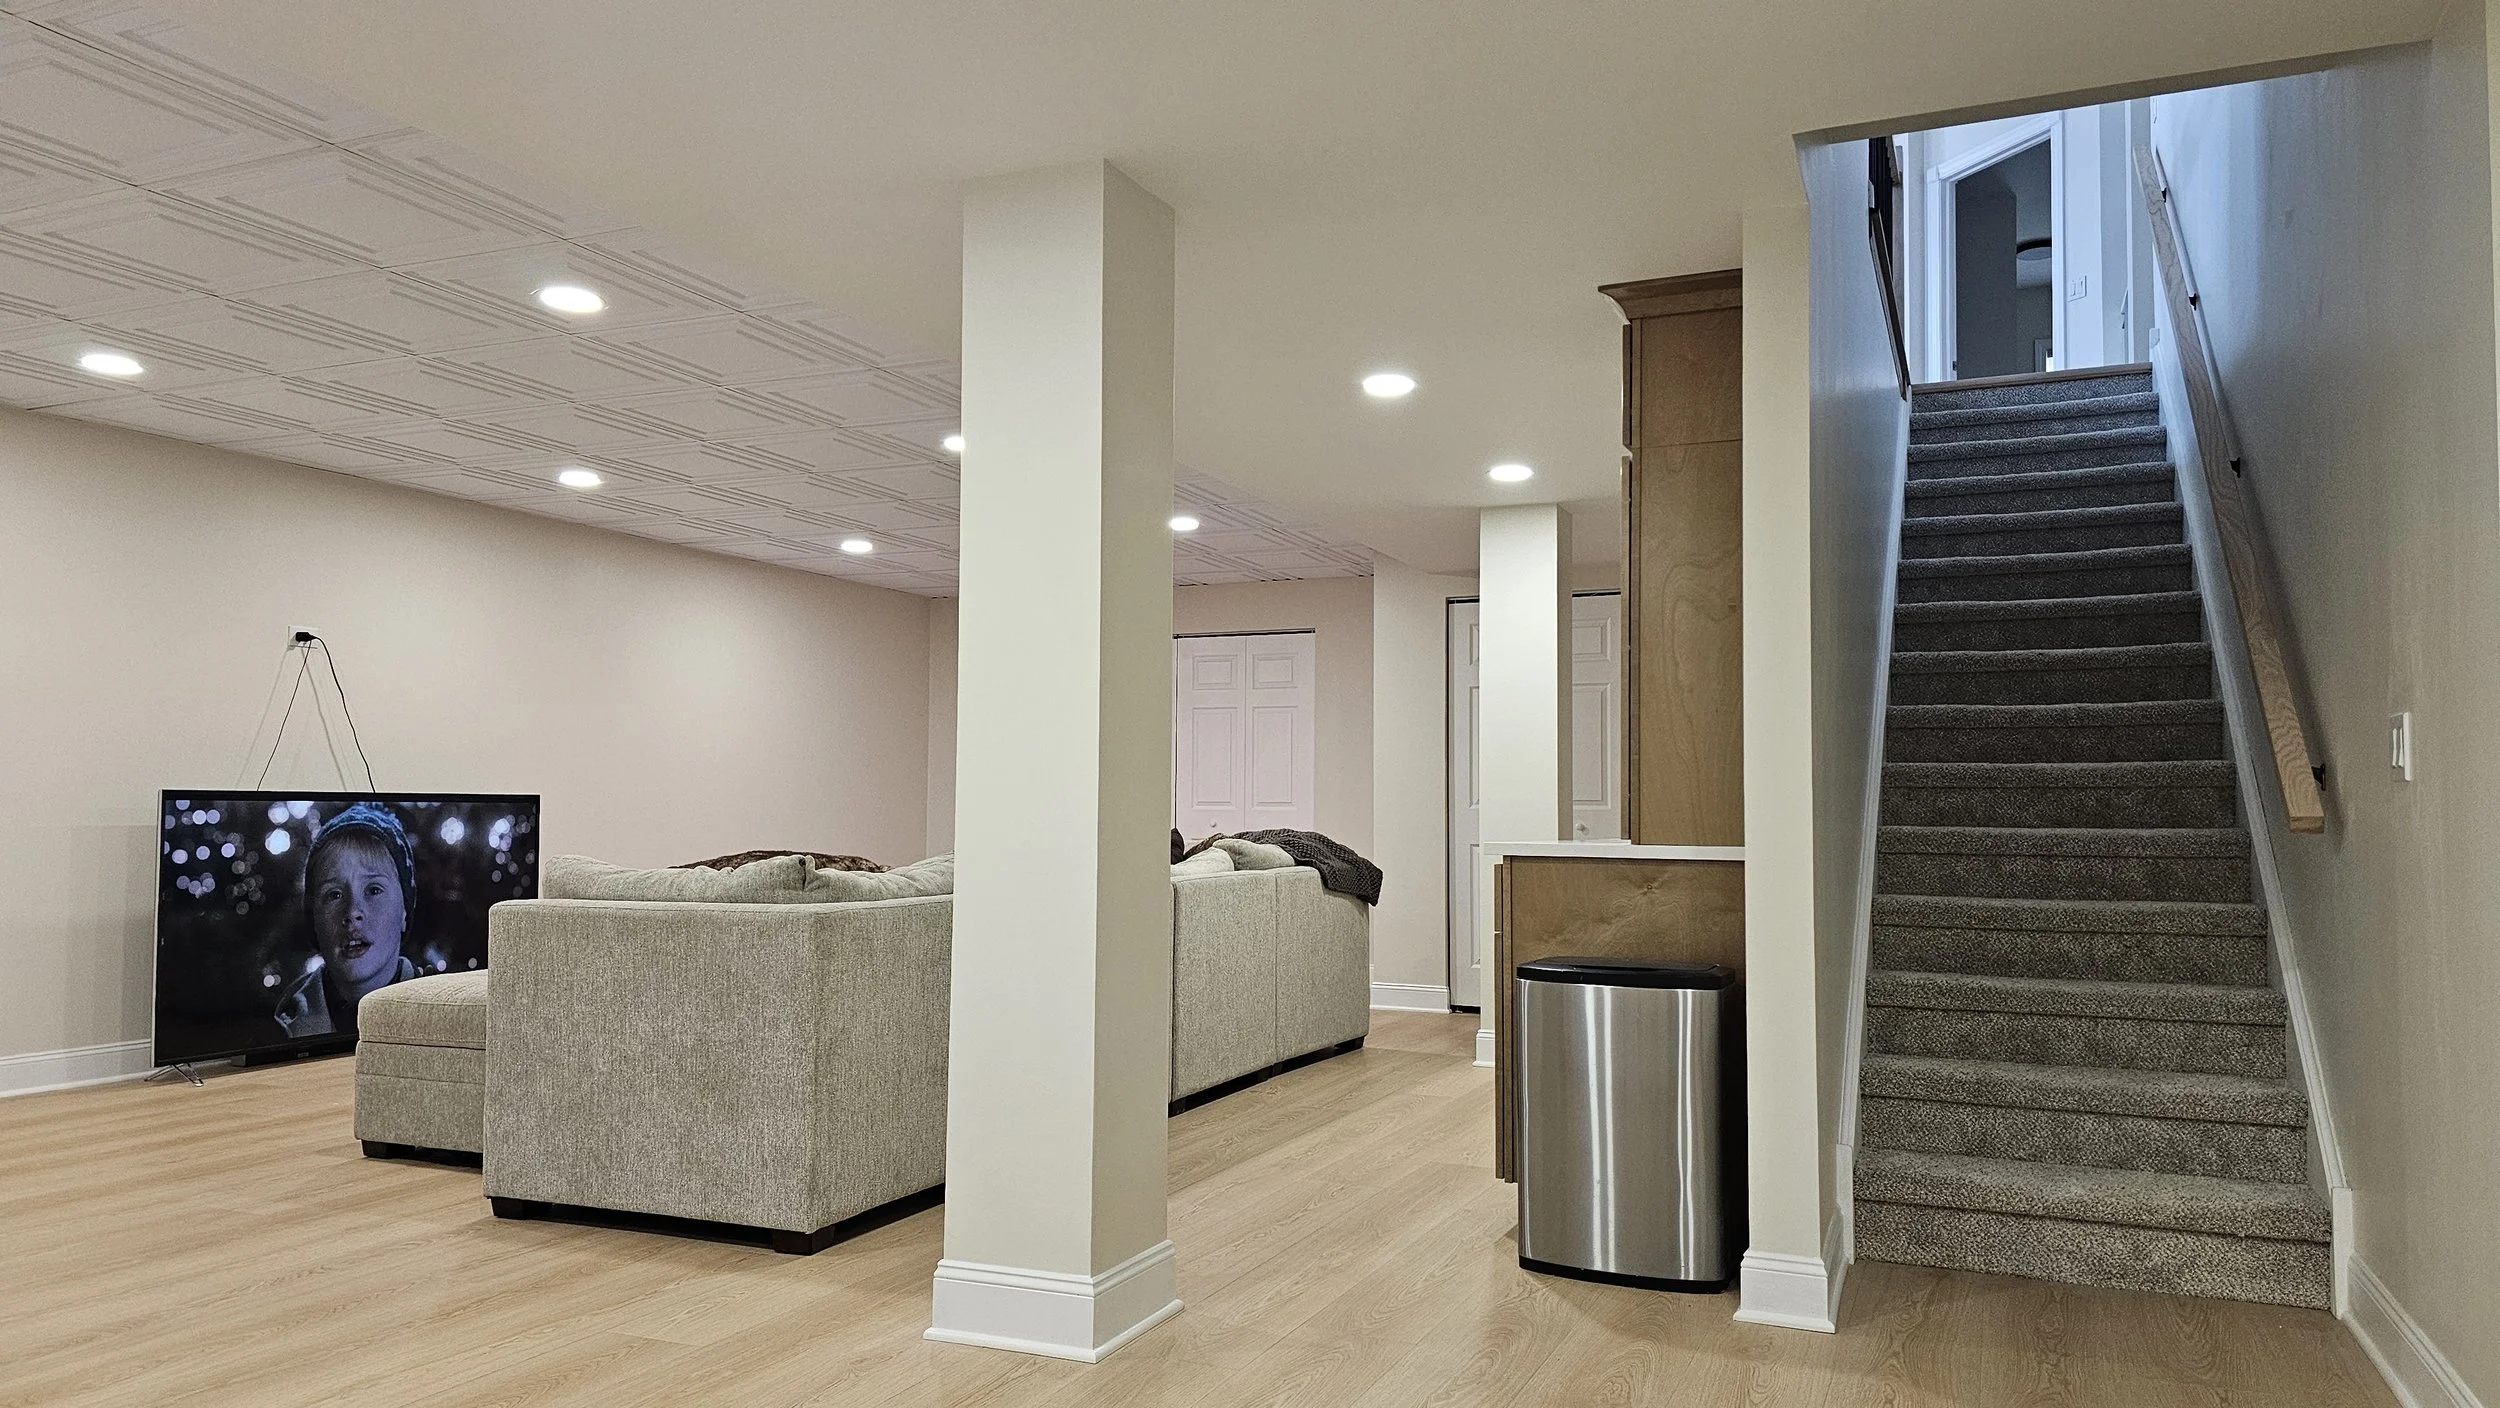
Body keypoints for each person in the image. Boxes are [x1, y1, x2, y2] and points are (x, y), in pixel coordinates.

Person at [274, 803, 419, 1039]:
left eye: (373, 890)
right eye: (334, 895)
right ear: (314, 922)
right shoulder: (279, 1029)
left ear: (404, 911)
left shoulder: (446, 1010)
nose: (352, 912)